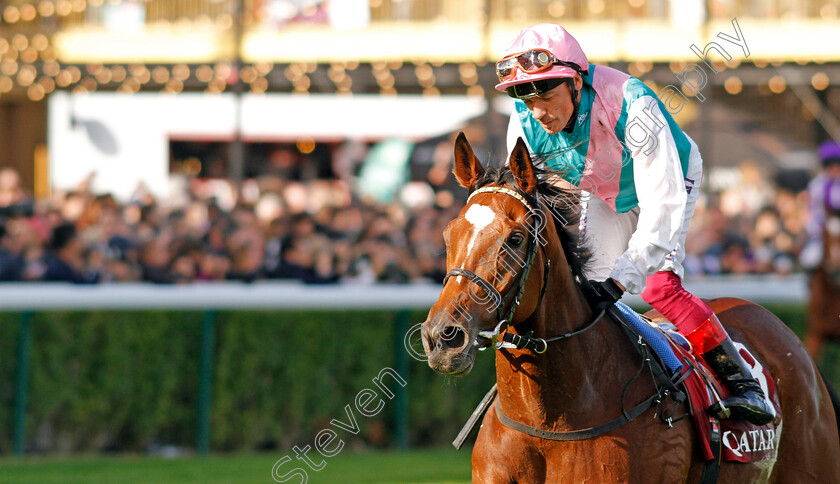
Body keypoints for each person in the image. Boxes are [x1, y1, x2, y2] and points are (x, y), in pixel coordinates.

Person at [494, 23, 774, 425]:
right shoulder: (522, 125)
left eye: (546, 96)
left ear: (575, 82)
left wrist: (624, 277)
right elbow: (536, 208)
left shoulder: (630, 102)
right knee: (583, 295)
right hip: (605, 192)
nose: (537, 111)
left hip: (669, 179)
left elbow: (660, 202)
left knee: (659, 287)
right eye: (525, 97)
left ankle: (744, 385)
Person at [800, 140, 840, 270]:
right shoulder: (817, 185)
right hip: (823, 229)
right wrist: (816, 229)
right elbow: (813, 210)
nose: (834, 169)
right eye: (830, 166)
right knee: (809, 259)